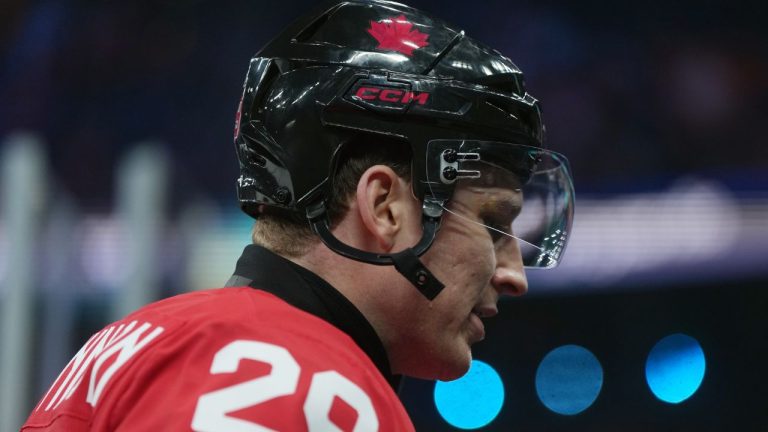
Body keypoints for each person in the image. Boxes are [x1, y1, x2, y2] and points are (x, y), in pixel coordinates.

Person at [22, 0, 574, 430]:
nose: (513, 275)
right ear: (385, 208)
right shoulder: (298, 382)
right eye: (494, 223)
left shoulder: (127, 343)